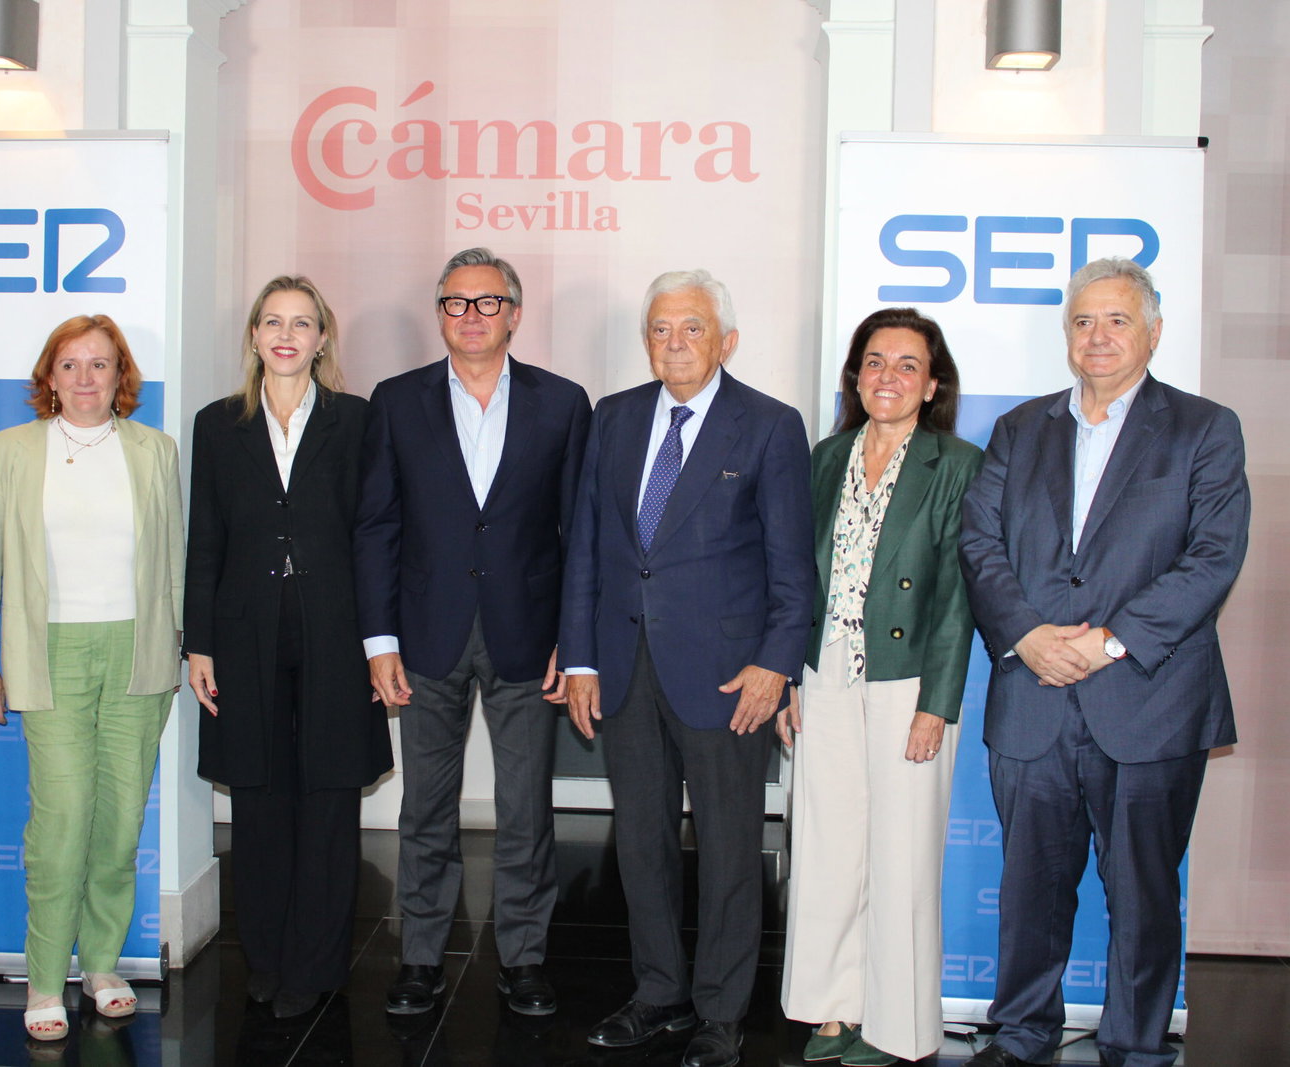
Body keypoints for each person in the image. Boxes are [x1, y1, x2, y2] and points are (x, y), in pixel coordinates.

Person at [958, 258, 1250, 1067]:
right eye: (1084, 321)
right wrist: (1028, 635)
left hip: (1151, 700)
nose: (1098, 336)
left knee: (1144, 893)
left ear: (1153, 331)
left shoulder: (1204, 428)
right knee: (1031, 889)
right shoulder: (1020, 429)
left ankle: (1137, 1044)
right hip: (1033, 693)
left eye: (1118, 320)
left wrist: (1107, 640)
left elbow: (1213, 557)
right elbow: (979, 543)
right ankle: (1022, 1032)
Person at [561, 270, 813, 1067]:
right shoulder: (614, 416)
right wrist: (581, 657)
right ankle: (659, 991)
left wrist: (776, 664)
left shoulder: (769, 426)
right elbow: (588, 545)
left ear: (726, 340)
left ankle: (720, 1011)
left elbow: (792, 565)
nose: (674, 343)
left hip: (729, 678)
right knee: (641, 843)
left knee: (731, 848)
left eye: (692, 328)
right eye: (661, 329)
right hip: (625, 667)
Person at [353, 247, 591, 1017]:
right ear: (440, 314)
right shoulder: (396, 401)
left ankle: (524, 958)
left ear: (514, 314)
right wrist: (379, 642)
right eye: (456, 302)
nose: (472, 316)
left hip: (530, 637)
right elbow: (377, 525)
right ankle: (421, 956)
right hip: (425, 634)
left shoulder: (563, 403)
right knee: (425, 807)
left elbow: (579, 533)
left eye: (488, 302)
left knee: (525, 809)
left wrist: (574, 639)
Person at [0, 314, 184, 1043]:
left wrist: (189, 646)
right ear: (49, 377)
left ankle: (104, 965)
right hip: (47, 653)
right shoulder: (10, 451)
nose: (86, 378)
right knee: (61, 821)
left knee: (120, 820)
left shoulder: (156, 451)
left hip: (139, 653)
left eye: (101, 364)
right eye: (71, 364)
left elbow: (175, 561)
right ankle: (47, 978)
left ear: (122, 377)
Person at [184, 276, 392, 1019]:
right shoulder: (217, 424)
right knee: (258, 796)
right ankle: (267, 959)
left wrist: (380, 639)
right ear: (253, 336)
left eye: (302, 323)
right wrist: (199, 642)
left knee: (329, 795)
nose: (286, 335)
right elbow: (205, 538)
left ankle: (316, 964)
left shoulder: (357, 420)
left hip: (336, 627)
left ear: (322, 339)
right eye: (272, 321)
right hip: (244, 630)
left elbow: (375, 533)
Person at [779, 308, 982, 1066]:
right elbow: (797, 576)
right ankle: (834, 1007)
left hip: (909, 683)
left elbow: (960, 595)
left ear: (931, 385)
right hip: (825, 672)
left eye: (906, 365)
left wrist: (938, 704)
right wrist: (792, 673)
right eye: (873, 362)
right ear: (855, 377)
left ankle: (898, 1028)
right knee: (827, 848)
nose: (886, 377)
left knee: (903, 858)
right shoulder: (826, 456)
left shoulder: (957, 464)